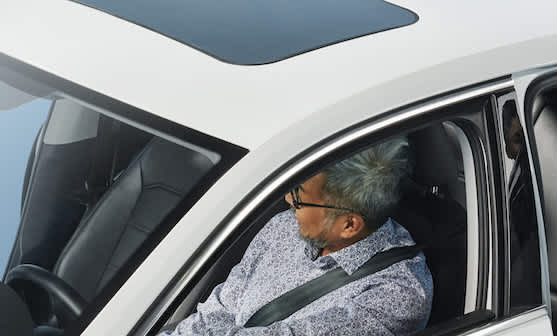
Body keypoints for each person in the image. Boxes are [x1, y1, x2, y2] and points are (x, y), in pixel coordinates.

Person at [163, 139, 432, 336]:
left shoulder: (397, 296)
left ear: (349, 224)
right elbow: (217, 312)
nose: (288, 199)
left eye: (300, 197)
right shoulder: (283, 227)